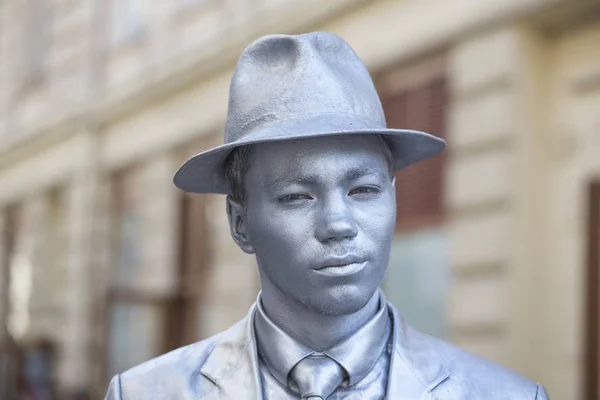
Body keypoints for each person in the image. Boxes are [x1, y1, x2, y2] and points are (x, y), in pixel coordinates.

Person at [105, 31, 549, 399]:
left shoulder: (505, 395)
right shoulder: (144, 393)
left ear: (392, 198)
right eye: (297, 197)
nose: (339, 224)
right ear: (240, 224)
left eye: (364, 190)